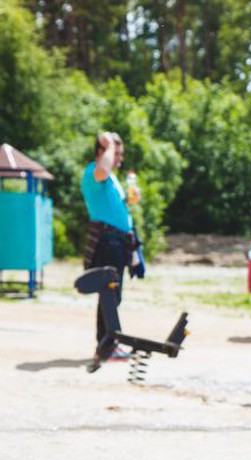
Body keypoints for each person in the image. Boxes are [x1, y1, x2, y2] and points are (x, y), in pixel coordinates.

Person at [80, 131, 140, 368]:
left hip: (117, 242)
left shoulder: (111, 178)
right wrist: (107, 143)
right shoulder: (93, 171)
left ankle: (109, 344)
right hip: (107, 241)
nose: (119, 158)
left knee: (112, 295)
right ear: (102, 151)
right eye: (116, 153)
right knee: (109, 294)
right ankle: (106, 347)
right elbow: (103, 170)